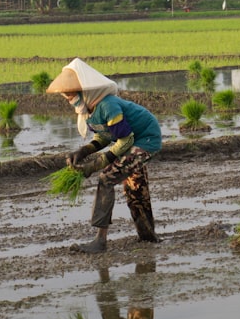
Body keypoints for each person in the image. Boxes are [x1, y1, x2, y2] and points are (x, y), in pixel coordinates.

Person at [47, 58, 163, 252]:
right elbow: (105, 136)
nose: (68, 98)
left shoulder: (107, 106)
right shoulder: (90, 110)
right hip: (132, 140)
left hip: (145, 140)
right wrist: (83, 151)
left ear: (84, 90)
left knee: (107, 178)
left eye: (71, 93)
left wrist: (94, 166)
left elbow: (125, 139)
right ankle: (148, 238)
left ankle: (100, 241)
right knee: (135, 188)